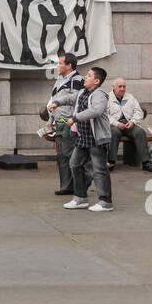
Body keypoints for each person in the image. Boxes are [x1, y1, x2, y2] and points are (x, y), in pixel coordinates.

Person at [62, 66, 114, 212]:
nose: (85, 77)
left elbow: (96, 111)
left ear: (96, 81)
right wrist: (56, 103)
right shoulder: (82, 93)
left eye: (89, 75)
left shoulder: (99, 95)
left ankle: (106, 202)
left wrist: (75, 118)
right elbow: (70, 98)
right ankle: (80, 198)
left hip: (97, 139)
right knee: (74, 164)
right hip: (83, 138)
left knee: (99, 170)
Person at [45, 52, 87, 195]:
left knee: (70, 156)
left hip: (70, 123)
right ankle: (66, 187)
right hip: (59, 123)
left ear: (69, 66)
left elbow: (77, 101)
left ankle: (79, 186)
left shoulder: (78, 80)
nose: (58, 65)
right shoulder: (59, 80)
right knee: (62, 156)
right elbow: (52, 102)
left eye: (60, 63)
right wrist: (50, 121)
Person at [106, 76, 152, 172]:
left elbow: (139, 111)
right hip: (114, 125)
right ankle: (111, 162)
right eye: (120, 86)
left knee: (140, 132)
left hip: (128, 124)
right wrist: (117, 123)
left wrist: (133, 121)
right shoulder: (107, 98)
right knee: (114, 133)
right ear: (114, 87)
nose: (122, 89)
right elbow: (105, 115)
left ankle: (146, 162)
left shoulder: (130, 97)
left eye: (124, 86)